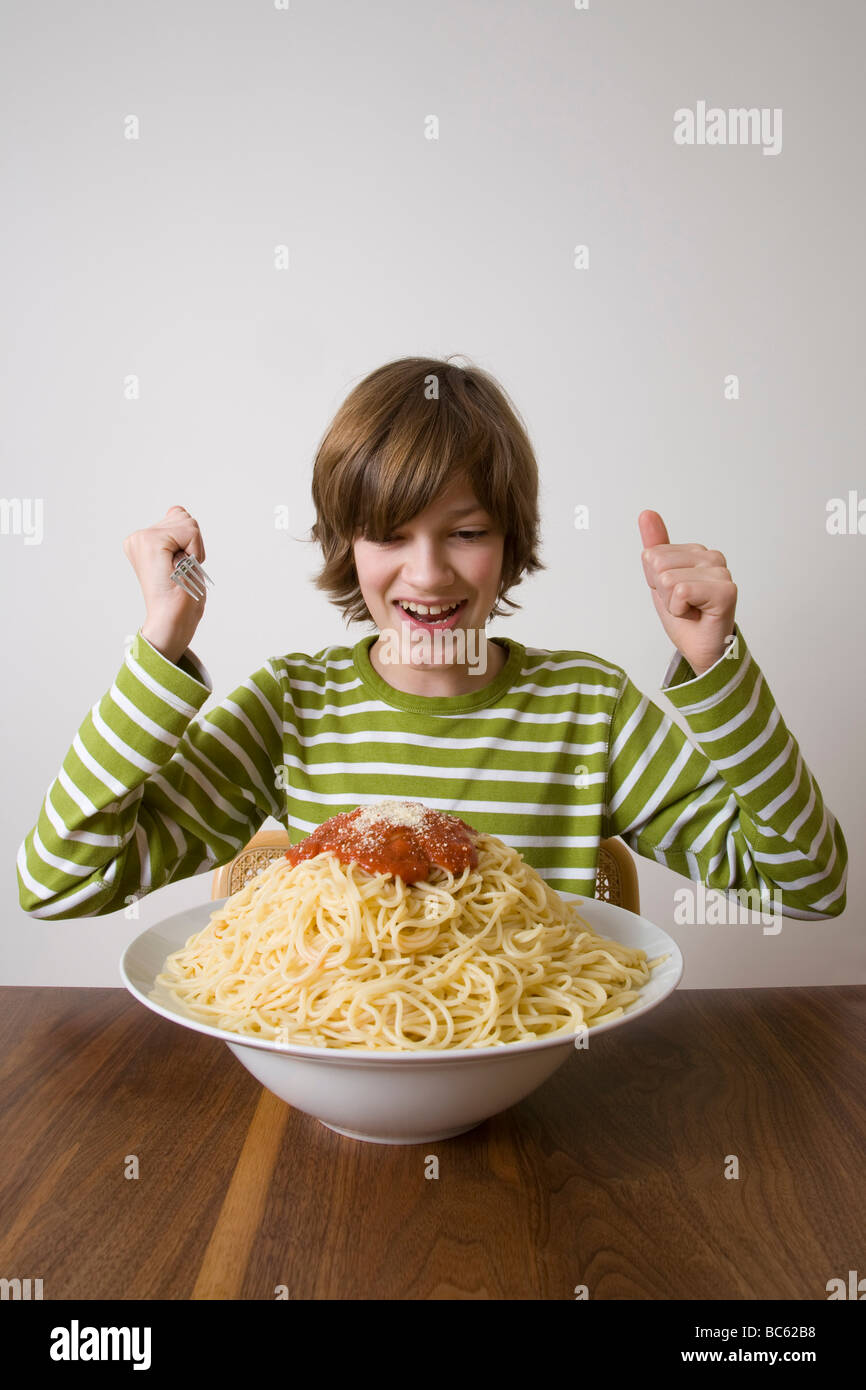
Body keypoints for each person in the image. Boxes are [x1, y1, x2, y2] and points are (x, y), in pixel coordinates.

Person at [16, 355, 847, 920]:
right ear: (347, 544)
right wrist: (162, 643)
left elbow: (806, 887)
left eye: (467, 532)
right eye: (388, 533)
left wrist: (716, 667)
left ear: (512, 544)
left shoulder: (588, 709)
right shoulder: (293, 706)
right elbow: (58, 883)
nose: (428, 574)